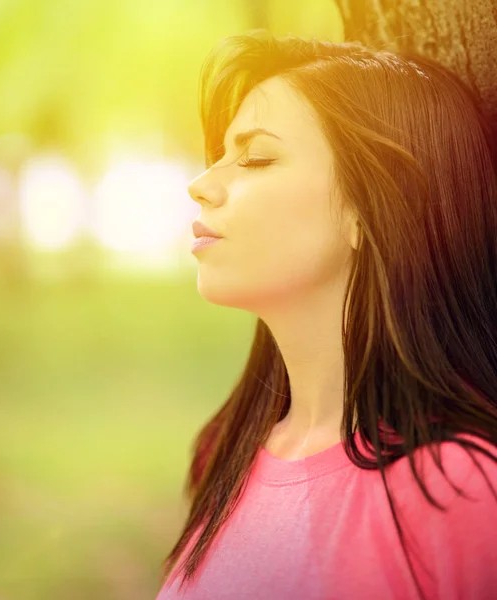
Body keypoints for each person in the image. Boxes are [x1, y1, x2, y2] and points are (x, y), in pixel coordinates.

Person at [155, 29, 497, 600]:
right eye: (220, 156)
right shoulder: (226, 454)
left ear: (373, 207)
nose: (200, 185)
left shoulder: (461, 490)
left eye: (256, 157)